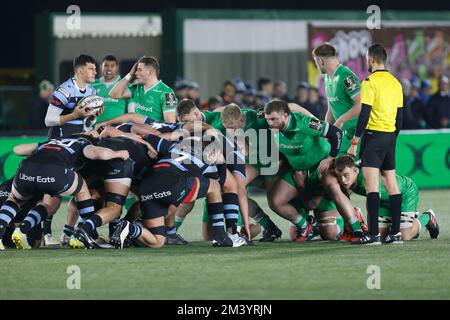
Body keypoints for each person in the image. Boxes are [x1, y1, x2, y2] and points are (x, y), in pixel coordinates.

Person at [348, 43, 404, 244]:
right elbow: (400, 117)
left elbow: (365, 113)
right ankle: (395, 233)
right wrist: (392, 138)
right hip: (390, 136)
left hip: (373, 136)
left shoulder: (370, 81)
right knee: (391, 183)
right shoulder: (396, 83)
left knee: (372, 186)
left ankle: (372, 235)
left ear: (371, 59)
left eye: (366, 58)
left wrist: (355, 141)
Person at [334, 156, 439, 241]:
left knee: (404, 236)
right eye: (339, 176)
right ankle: (410, 224)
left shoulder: (365, 178)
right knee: (382, 236)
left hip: (405, 193)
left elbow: (372, 203)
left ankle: (427, 217)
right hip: (383, 200)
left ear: (356, 170)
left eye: (346, 175)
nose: (343, 180)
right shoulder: (349, 178)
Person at [109, 56, 177, 123]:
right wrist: (130, 74)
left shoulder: (167, 92)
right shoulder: (137, 88)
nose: (135, 73)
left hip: (152, 132)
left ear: (150, 72)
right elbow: (113, 94)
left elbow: (170, 123)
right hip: (136, 130)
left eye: (139, 70)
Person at [92, 55, 127, 123]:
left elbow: (132, 111)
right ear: (100, 67)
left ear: (117, 68)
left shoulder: (125, 85)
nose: (109, 69)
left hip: (118, 128)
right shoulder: (92, 85)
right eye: (106, 65)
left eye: (112, 66)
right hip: (95, 128)